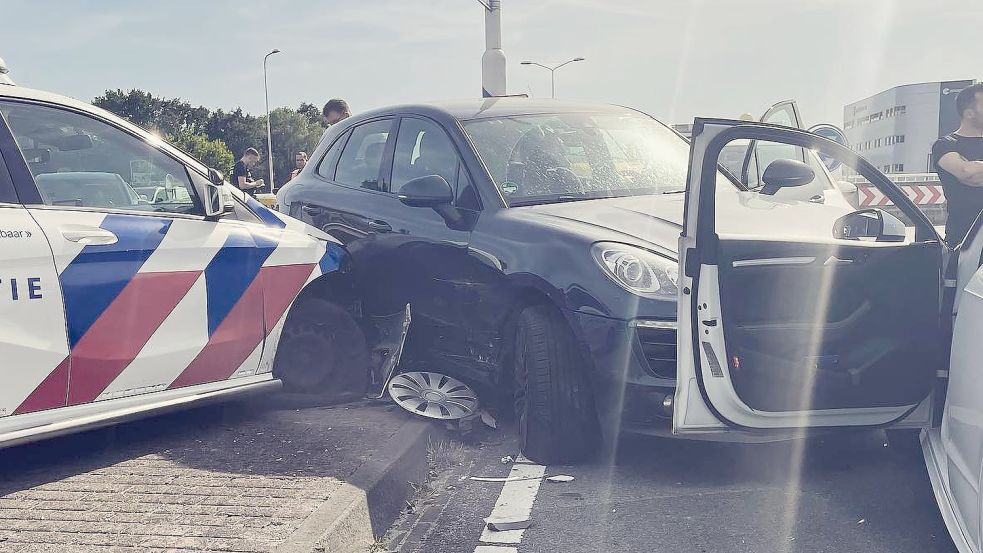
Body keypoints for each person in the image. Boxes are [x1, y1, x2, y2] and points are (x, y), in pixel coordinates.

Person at [933, 82, 983, 248]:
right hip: (965, 245)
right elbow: (969, 173)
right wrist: (972, 168)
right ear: (969, 113)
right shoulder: (945, 145)